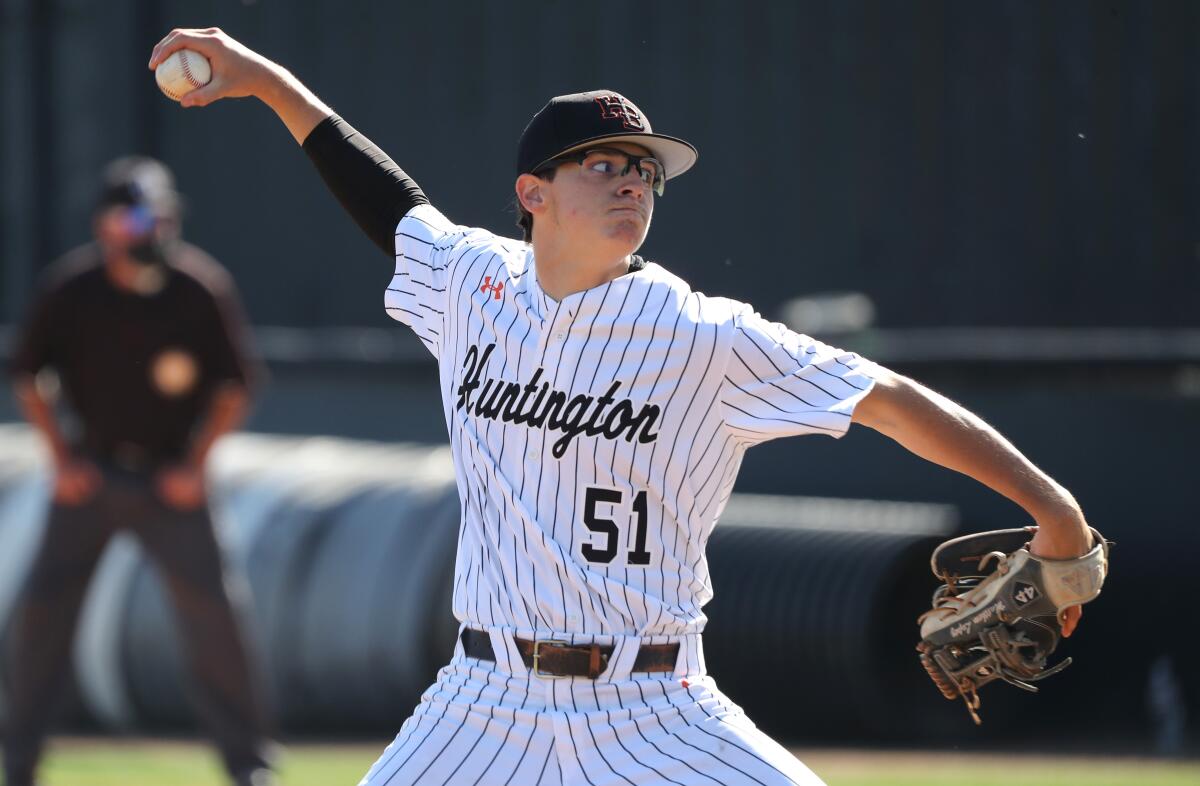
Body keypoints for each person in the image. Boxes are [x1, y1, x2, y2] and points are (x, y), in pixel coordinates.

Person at [147, 28, 1097, 786]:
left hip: (656, 707)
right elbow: (376, 191)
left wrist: (1054, 510)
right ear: (534, 194)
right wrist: (263, 78)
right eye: (602, 163)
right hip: (483, 704)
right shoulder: (469, 284)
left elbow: (888, 399)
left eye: (643, 169)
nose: (632, 181)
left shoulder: (705, 335)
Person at [3, 156, 275, 786]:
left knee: (215, 617)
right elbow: (27, 376)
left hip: (168, 485)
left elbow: (236, 385)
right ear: (104, 226)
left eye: (156, 216)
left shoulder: (197, 287)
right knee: (41, 617)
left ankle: (249, 766)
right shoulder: (70, 291)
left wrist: (195, 466)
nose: (146, 230)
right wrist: (61, 460)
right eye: (132, 217)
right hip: (92, 478)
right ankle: (18, 764)